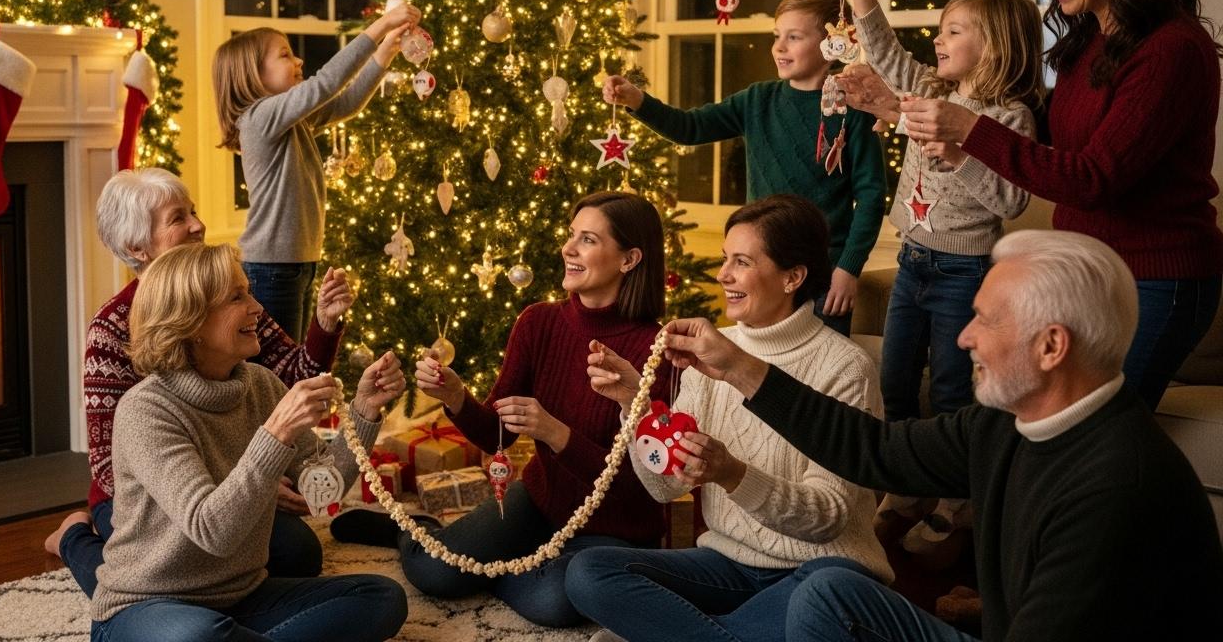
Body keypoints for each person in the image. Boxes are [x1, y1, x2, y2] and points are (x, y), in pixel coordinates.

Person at [661, 229, 1223, 641]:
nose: (963, 339)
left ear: (1052, 347)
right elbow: (873, 451)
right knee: (829, 594)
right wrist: (737, 365)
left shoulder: (1117, 485)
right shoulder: (1008, 423)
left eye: (987, 320)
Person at [898, 0, 1223, 410]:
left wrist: (969, 129)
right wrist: (905, 109)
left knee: (1096, 441)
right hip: (1086, 271)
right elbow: (1048, 138)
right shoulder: (1091, 40)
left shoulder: (1172, 49)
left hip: (1155, 282)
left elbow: (1092, 178)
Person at [570, 195, 891, 642]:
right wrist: (634, 405)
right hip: (726, 565)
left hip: (819, 573)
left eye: (741, 262)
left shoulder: (845, 368)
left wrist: (733, 474)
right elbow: (667, 486)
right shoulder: (712, 346)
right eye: (725, 259)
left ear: (792, 277)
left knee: (817, 598)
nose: (723, 275)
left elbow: (829, 517)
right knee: (588, 572)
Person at [44, 167, 358, 596]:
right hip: (144, 505)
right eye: (178, 218)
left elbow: (288, 382)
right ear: (138, 247)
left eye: (193, 211)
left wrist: (324, 325)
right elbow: (106, 466)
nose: (198, 224)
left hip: (227, 493)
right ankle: (72, 538)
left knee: (299, 555)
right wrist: (246, 489)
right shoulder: (112, 329)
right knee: (163, 570)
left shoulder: (228, 301)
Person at [87, 242, 407, 642]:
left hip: (242, 598)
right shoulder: (145, 410)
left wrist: (364, 411)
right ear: (190, 321)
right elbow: (211, 530)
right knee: (202, 636)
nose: (257, 307)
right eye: (237, 297)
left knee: (380, 597)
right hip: (147, 607)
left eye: (250, 292)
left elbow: (322, 491)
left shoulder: (260, 385)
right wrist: (276, 433)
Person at [832, 0, 1044, 549]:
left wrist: (960, 154)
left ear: (995, 46)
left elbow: (1008, 201)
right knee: (896, 382)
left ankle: (958, 495)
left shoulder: (1010, 116)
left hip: (965, 270)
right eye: (942, 28)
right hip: (912, 261)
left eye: (955, 30)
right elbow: (885, 53)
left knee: (953, 389)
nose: (940, 39)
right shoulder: (924, 88)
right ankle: (906, 482)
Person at [398, 191, 672, 628]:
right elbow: (496, 436)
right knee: (433, 571)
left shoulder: (656, 351)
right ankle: (418, 529)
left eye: (587, 239)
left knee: (554, 603)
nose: (568, 248)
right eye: (570, 236)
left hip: (615, 528)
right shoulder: (538, 322)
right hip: (542, 502)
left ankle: (501, 567)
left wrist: (556, 434)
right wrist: (455, 397)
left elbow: (643, 486)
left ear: (629, 258)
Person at [602, 0, 886, 335]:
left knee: (818, 372)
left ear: (831, 45)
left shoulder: (853, 110)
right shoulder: (757, 101)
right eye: (776, 36)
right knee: (756, 367)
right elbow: (689, 128)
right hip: (758, 267)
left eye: (793, 37)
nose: (779, 47)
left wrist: (848, 268)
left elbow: (871, 195)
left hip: (825, 273)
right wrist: (637, 100)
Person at [214, 2, 422, 341]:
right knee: (280, 369)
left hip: (294, 264)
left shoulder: (291, 122)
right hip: (271, 268)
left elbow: (346, 102)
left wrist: (386, 51)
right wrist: (379, 27)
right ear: (253, 74)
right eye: (284, 56)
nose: (298, 62)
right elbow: (324, 85)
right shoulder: (259, 118)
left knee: (289, 360)